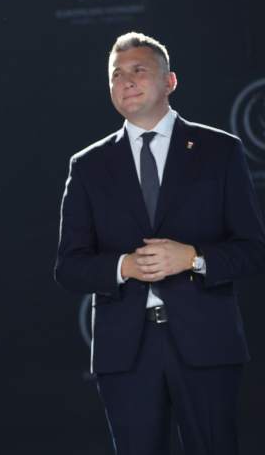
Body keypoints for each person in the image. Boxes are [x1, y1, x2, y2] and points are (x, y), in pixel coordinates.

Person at [55, 32, 265, 454]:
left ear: (170, 82)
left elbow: (253, 249)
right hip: (125, 353)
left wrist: (194, 258)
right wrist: (123, 267)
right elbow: (69, 268)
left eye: (139, 71)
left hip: (207, 343)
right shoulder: (89, 165)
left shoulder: (221, 151)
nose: (126, 81)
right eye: (117, 75)